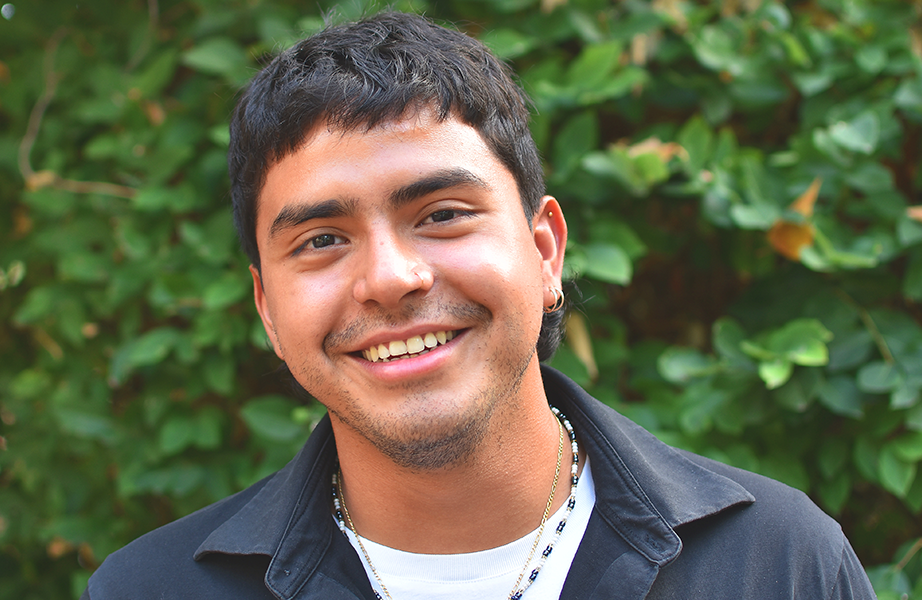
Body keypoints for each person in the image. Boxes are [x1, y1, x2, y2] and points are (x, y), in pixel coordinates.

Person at [81, 11, 876, 600]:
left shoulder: (779, 564)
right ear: (266, 309)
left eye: (441, 215)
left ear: (544, 252)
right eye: (321, 239)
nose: (390, 279)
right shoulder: (147, 591)